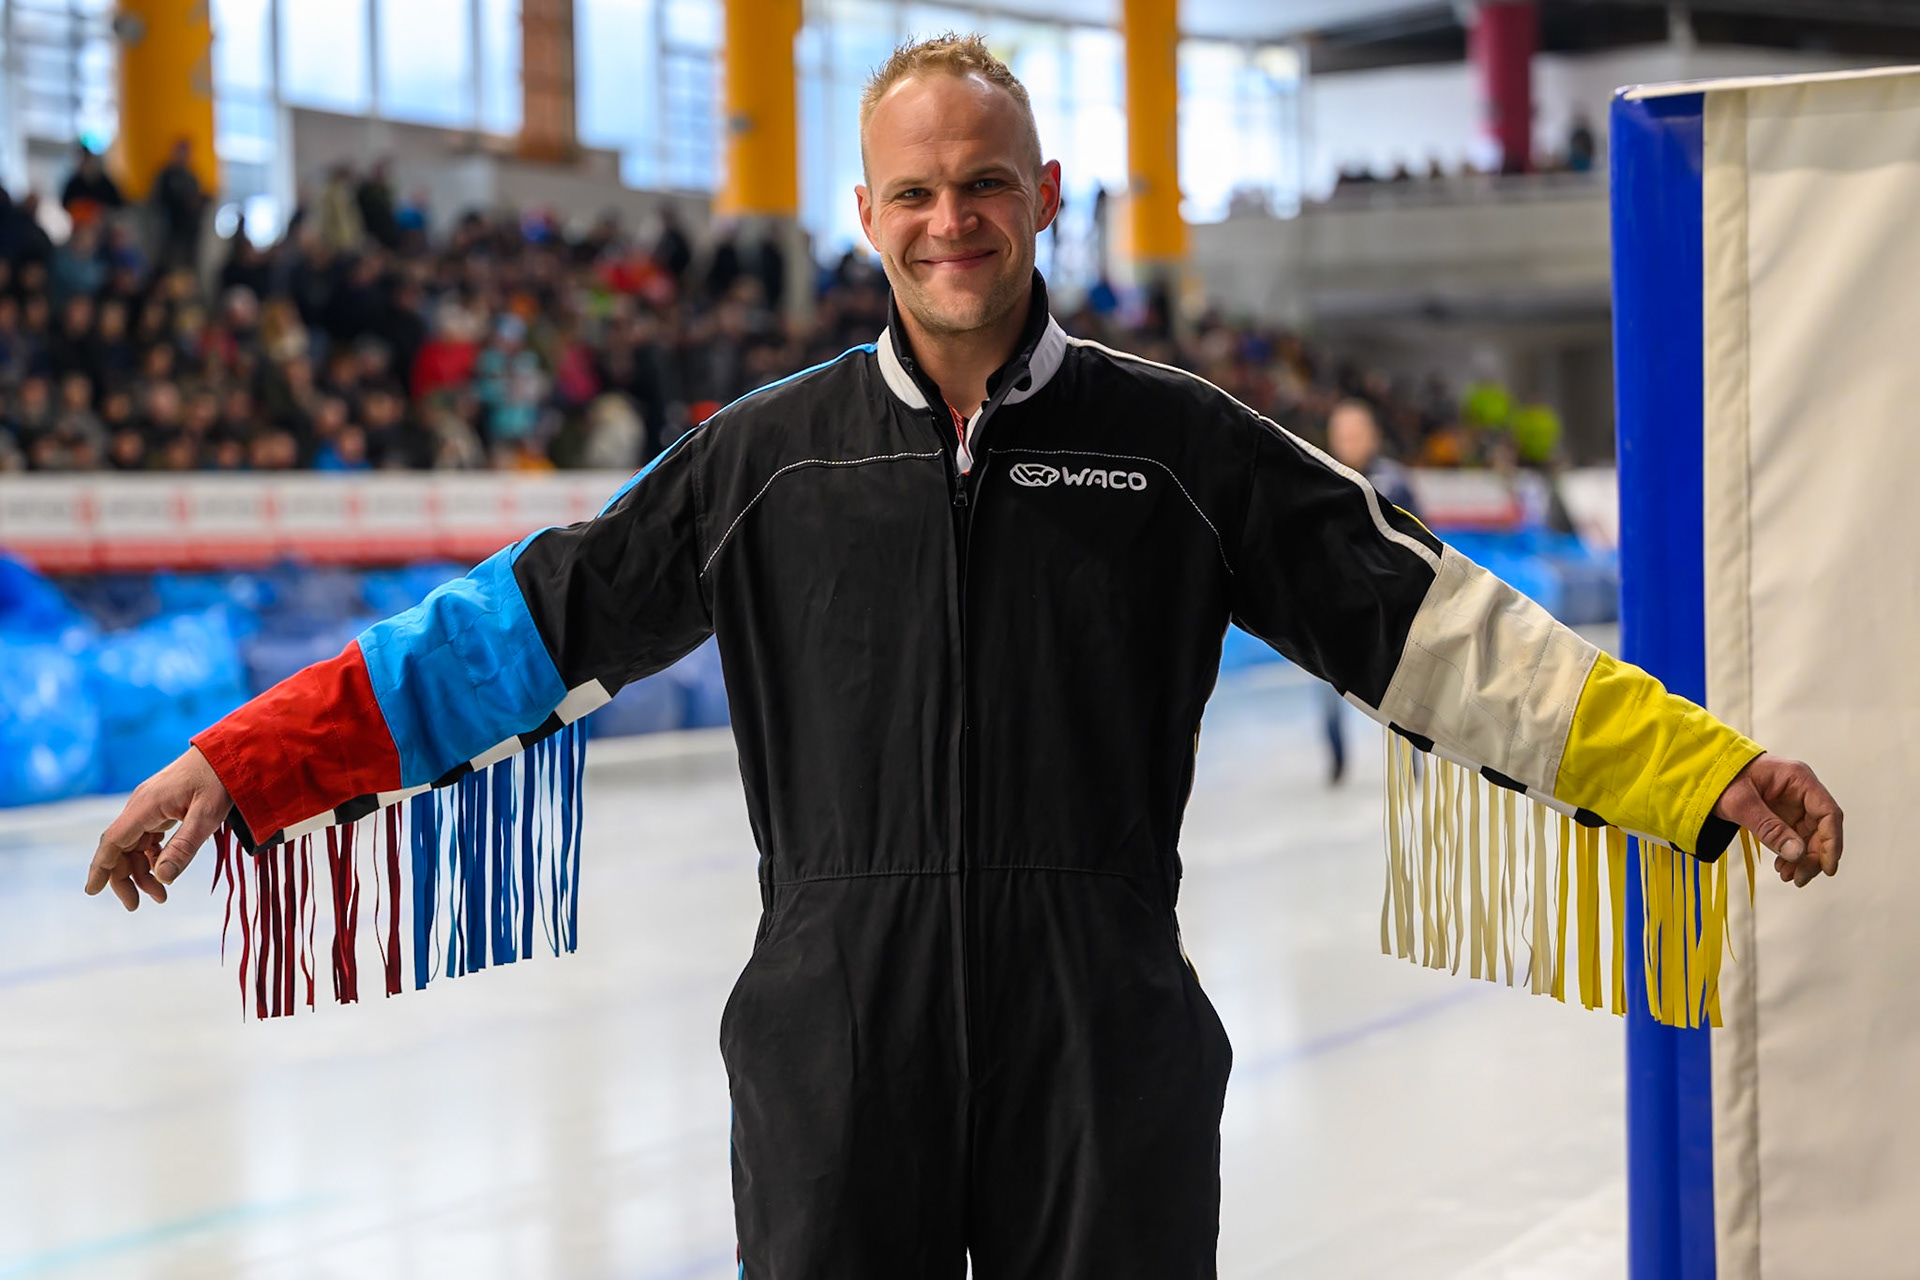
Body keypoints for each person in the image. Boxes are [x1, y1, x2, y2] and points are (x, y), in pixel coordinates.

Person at [86, 34, 1844, 1280]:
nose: (951, 222)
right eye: (916, 193)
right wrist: (235, 764)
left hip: (1108, 1036)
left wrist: (1695, 765)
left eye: (985, 185)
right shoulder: (761, 461)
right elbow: (506, 633)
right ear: (867, 210)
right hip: (832, 1047)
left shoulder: (1182, 446)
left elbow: (1451, 636)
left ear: (1046, 194)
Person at [1319, 397, 1415, 783]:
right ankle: (1337, 766)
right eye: (1341, 434)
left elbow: (1418, 542)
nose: (1349, 442)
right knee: (1329, 695)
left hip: (1387, 608)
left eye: (1356, 434)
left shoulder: (1394, 482)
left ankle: (1412, 765)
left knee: (1405, 694)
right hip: (1335, 611)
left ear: (1373, 437)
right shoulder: (1318, 477)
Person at [151, 139, 207, 272]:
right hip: (170, 227)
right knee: (169, 264)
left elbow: (198, 196)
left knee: (189, 265)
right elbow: (158, 199)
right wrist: (182, 202)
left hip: (190, 229)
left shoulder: (191, 176)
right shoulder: (166, 175)